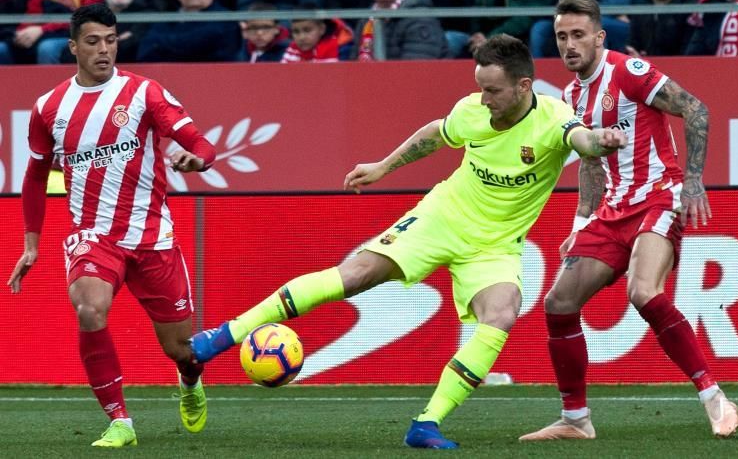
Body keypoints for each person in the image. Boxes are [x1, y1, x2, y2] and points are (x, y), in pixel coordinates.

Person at [190, 33, 627, 449]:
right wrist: (383, 166)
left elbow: (582, 140)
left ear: (524, 86)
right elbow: (435, 133)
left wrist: (601, 141)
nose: (484, 99)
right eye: (480, 89)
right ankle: (224, 335)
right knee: (356, 275)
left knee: (501, 314)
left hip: (495, 246)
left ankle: (426, 423)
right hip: (441, 218)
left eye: (493, 91)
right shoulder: (472, 110)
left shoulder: (552, 118)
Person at [518, 0, 738, 443]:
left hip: (659, 197)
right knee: (559, 303)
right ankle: (576, 419)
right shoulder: (573, 94)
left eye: (578, 35)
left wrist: (693, 181)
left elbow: (695, 108)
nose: (569, 45)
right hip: (613, 210)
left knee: (643, 292)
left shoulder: (628, 71)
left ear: (599, 37)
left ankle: (714, 397)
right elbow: (590, 162)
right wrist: (581, 222)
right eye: (561, 36)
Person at [7, 2, 216, 448]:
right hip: (93, 236)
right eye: (93, 41)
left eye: (110, 40)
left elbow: (199, 142)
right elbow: (35, 176)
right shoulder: (49, 107)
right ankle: (120, 421)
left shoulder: (144, 93)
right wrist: (31, 244)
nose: (104, 50)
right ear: (72, 47)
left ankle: (189, 381)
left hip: (152, 235)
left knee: (182, 350)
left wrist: (197, 159)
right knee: (89, 308)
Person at [137, 0, 241, 62]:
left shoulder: (226, 20)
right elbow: (144, 53)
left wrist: (161, 44)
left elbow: (217, 54)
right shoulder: (167, 20)